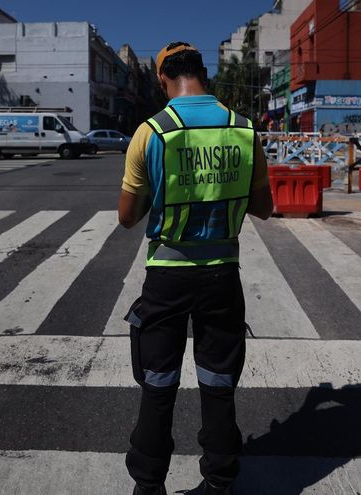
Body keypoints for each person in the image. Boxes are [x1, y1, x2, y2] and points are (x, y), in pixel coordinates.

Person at [118, 42, 273, 495]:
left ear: (164, 78)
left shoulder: (152, 132)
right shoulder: (245, 130)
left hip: (167, 277)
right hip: (223, 274)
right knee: (219, 383)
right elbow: (264, 208)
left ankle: (149, 486)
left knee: (158, 383)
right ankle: (220, 482)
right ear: (204, 73)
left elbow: (127, 217)